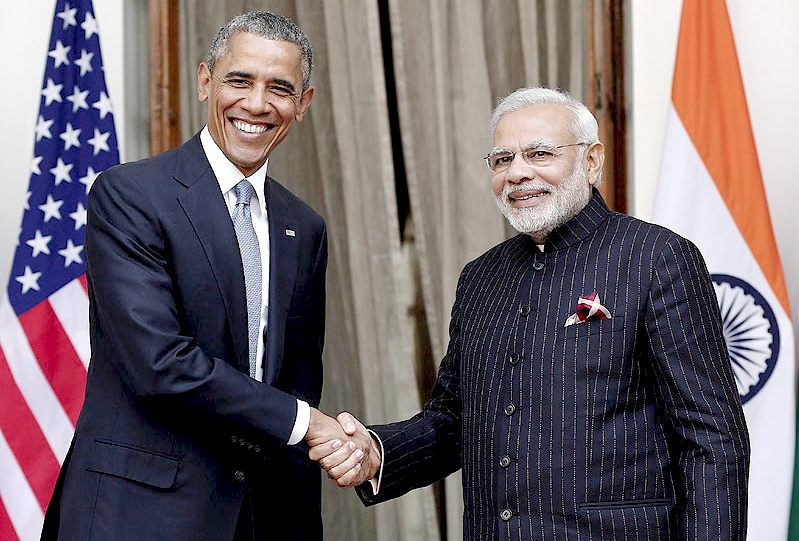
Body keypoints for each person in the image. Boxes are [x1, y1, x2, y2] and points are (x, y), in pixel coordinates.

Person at [312, 87, 750, 540]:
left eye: (539, 154)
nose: (518, 173)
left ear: (592, 161)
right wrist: (377, 452)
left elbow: (712, 441)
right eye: (502, 160)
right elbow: (454, 422)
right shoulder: (480, 278)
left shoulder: (656, 258)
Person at [40, 11, 371, 541]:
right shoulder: (129, 195)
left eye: (279, 89)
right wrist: (309, 422)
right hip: (139, 516)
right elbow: (158, 363)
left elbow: (297, 380)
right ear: (203, 81)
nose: (257, 104)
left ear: (303, 104)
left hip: (259, 517)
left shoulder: (303, 227)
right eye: (239, 80)